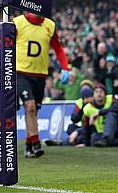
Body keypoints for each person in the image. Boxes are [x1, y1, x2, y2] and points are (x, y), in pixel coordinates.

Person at [13, 12, 69, 158]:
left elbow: (58, 48)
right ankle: (36, 142)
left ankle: (28, 146)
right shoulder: (18, 22)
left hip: (40, 75)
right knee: (29, 106)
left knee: (33, 111)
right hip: (21, 72)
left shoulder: (50, 25)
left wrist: (65, 67)